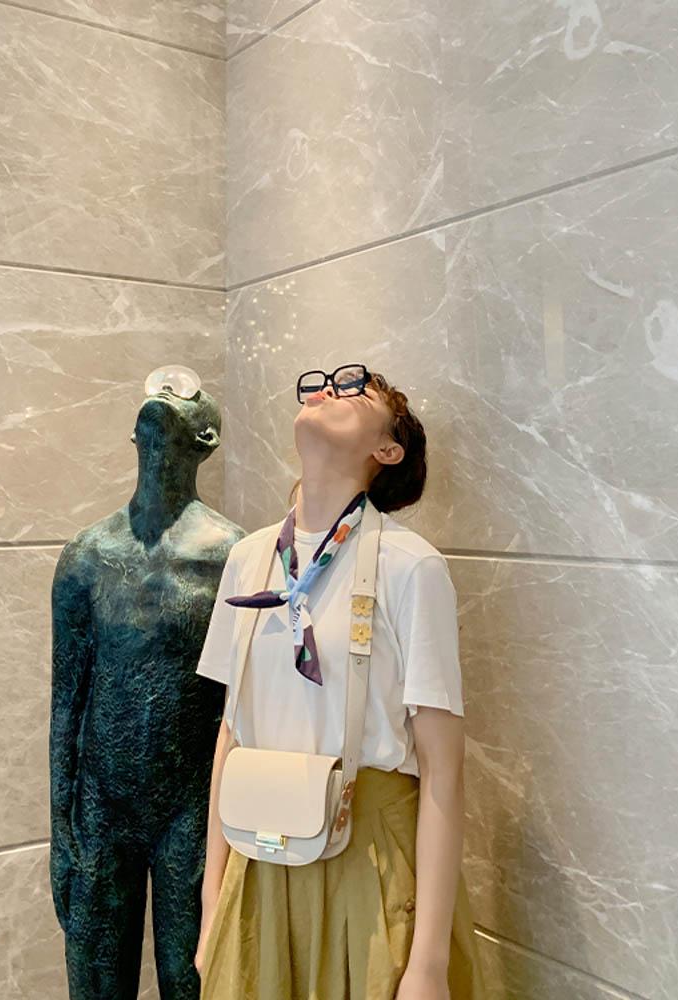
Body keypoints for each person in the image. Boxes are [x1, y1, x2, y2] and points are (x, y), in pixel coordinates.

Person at [192, 364, 486, 1000]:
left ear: (388, 449)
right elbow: (230, 733)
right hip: (259, 858)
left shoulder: (412, 567)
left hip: (370, 868)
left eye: (356, 389)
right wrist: (213, 899)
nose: (327, 388)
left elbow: (444, 770)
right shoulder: (248, 559)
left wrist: (429, 963)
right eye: (320, 383)